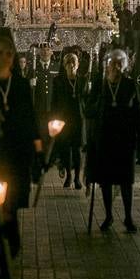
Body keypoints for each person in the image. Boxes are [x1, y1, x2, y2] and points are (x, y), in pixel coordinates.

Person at [0, 28, 43, 263]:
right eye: (0, 53)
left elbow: (30, 119)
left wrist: (38, 151)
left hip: (15, 152)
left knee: (11, 200)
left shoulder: (18, 85)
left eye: (9, 53)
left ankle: (9, 238)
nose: (5, 57)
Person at [85, 48, 140, 232]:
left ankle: (128, 217)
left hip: (124, 140)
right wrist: (96, 103)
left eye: (120, 64)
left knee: (126, 180)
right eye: (113, 64)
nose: (116, 68)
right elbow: (88, 110)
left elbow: (137, 112)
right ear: (107, 66)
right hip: (104, 139)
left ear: (124, 66)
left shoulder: (129, 84)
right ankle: (108, 215)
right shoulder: (100, 84)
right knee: (106, 180)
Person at [50, 52, 84, 189]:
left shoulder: (82, 80)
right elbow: (54, 101)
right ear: (65, 66)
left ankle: (77, 178)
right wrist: (54, 119)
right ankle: (68, 176)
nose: (71, 66)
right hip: (64, 118)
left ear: (77, 65)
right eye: (69, 63)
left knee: (77, 149)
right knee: (65, 149)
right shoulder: (58, 80)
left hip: (77, 118)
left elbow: (85, 98)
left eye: (73, 63)